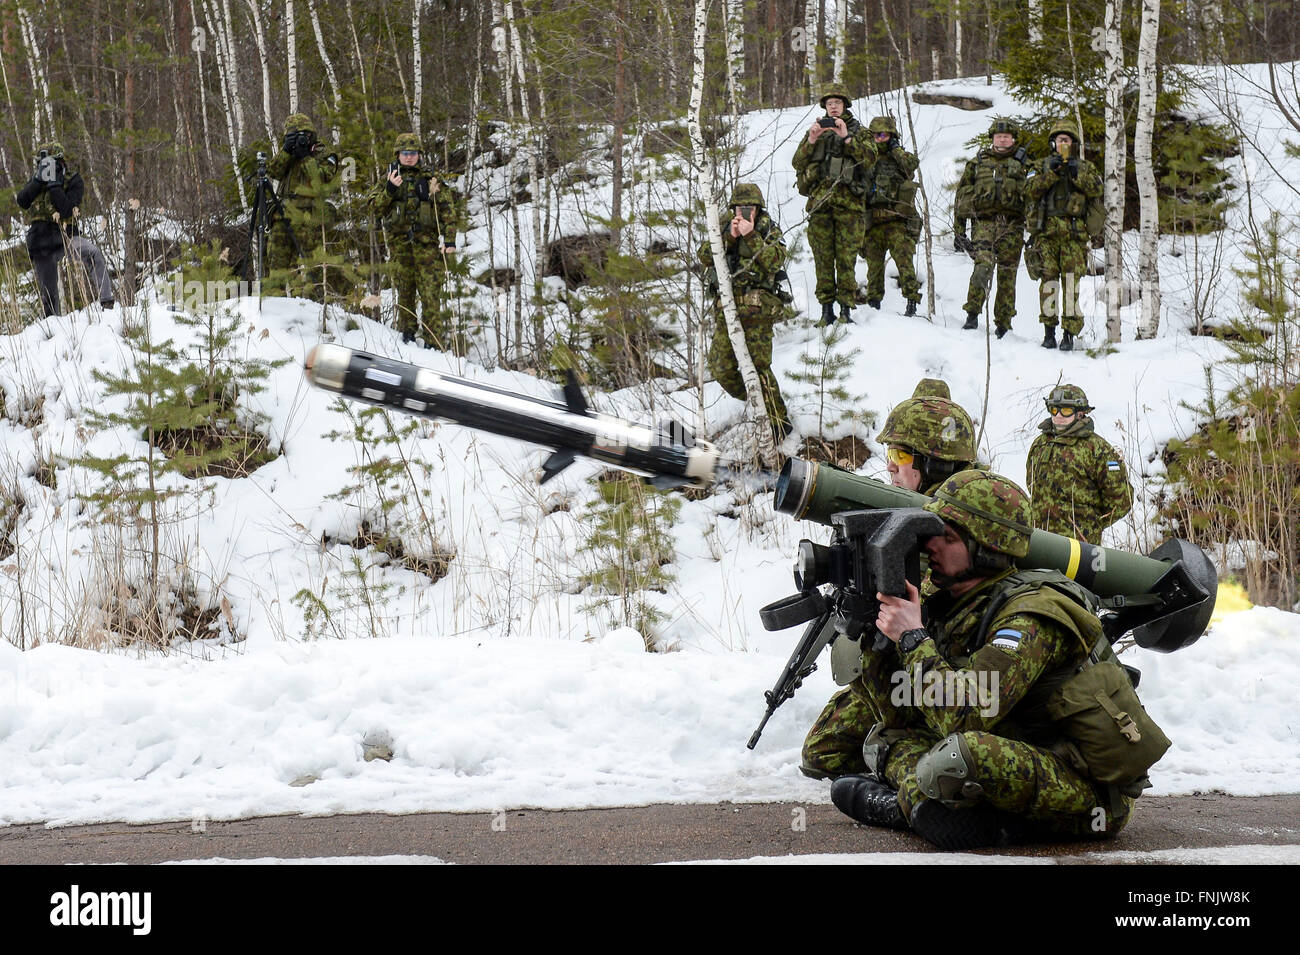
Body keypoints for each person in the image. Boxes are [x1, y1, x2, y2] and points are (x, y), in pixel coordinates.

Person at [827, 469, 1166, 850]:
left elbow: (969, 711)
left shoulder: (1032, 614)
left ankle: (912, 808)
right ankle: (924, 808)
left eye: (947, 537)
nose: (930, 546)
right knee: (886, 738)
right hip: (1021, 749)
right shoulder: (960, 602)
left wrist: (912, 637)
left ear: (988, 548)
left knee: (958, 757)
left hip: (1086, 787)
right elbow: (897, 712)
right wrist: (870, 634)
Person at [799, 381, 977, 781]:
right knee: (820, 754)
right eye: (888, 453)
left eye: (900, 454)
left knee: (877, 750)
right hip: (904, 665)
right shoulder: (900, 517)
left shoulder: (972, 528)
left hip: (951, 676)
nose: (890, 465)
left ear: (935, 463)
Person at [697, 183, 792, 441]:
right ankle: (757, 401)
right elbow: (704, 255)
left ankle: (779, 422)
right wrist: (730, 236)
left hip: (757, 311)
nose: (745, 211)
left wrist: (751, 236)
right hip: (726, 311)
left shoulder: (768, 228)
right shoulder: (725, 226)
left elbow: (776, 259)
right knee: (721, 368)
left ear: (758, 209)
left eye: (750, 208)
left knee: (760, 368)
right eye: (740, 207)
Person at [369, 132, 462, 345]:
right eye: (405, 153)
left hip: (427, 246)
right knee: (405, 291)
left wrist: (449, 240)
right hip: (400, 246)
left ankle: (433, 341)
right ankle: (407, 335)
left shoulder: (430, 178)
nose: (409, 157)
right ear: (398, 154)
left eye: (413, 153)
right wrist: (390, 190)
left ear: (419, 154)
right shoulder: (389, 178)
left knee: (430, 293)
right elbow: (375, 208)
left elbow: (447, 209)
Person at [792, 91, 877, 326]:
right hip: (820, 207)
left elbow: (870, 160)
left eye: (837, 103)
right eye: (829, 104)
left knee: (846, 260)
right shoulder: (817, 131)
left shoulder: (859, 132)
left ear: (845, 105)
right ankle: (826, 309)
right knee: (823, 259)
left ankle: (846, 310)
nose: (833, 107)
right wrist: (811, 138)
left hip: (849, 207)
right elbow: (797, 162)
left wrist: (847, 137)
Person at [1024, 119, 1101, 351]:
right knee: (1048, 284)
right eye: (1059, 140)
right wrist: (1052, 174)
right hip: (1046, 236)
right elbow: (1028, 190)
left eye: (1066, 140)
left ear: (1073, 143)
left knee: (1071, 285)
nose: (1062, 143)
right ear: (1052, 143)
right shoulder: (1042, 165)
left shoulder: (1084, 167)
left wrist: (1075, 174)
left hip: (1074, 237)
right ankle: (1049, 332)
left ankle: (1069, 333)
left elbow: (1097, 189)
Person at [15, 141, 114, 315]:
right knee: (49, 295)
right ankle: (53, 328)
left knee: (93, 253)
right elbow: (22, 201)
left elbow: (67, 208)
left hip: (66, 236)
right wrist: (38, 181)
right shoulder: (37, 181)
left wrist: (55, 186)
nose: (45, 167)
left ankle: (107, 303)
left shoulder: (72, 180)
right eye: (42, 164)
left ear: (60, 162)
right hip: (42, 242)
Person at [1026, 383, 1133, 543]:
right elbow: (1032, 485)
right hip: (1040, 540)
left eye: (1066, 410)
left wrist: (1090, 526)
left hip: (1079, 545)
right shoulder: (1040, 443)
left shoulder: (1098, 449)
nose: (1059, 415)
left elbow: (1121, 501)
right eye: (1054, 410)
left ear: (1080, 413)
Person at [954, 119, 1030, 337]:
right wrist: (959, 231)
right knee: (982, 267)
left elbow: (1035, 198)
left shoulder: (1025, 164)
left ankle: (1003, 324)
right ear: (992, 139)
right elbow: (961, 196)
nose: (1002, 139)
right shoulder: (977, 163)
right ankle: (972, 315)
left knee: (1007, 275)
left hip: (1012, 225)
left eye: (1006, 136)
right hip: (984, 224)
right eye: (998, 136)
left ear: (1013, 139)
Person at [265, 113, 339, 300]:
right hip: (283, 213)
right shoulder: (288, 154)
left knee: (313, 267)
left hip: (310, 214)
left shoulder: (323, 153)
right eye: (294, 136)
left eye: (304, 136)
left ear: (311, 135)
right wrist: (286, 151)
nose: (300, 139)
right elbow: (274, 172)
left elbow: (321, 179)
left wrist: (305, 156)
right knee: (277, 264)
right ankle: (276, 309)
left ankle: (317, 310)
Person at [859, 116, 922, 317]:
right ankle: (874, 306)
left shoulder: (900, 157)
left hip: (896, 222)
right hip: (873, 223)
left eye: (884, 134)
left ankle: (912, 302)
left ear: (892, 136)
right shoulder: (866, 158)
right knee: (874, 268)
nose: (880, 138)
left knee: (905, 262)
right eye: (876, 134)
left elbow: (912, 164)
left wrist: (896, 149)